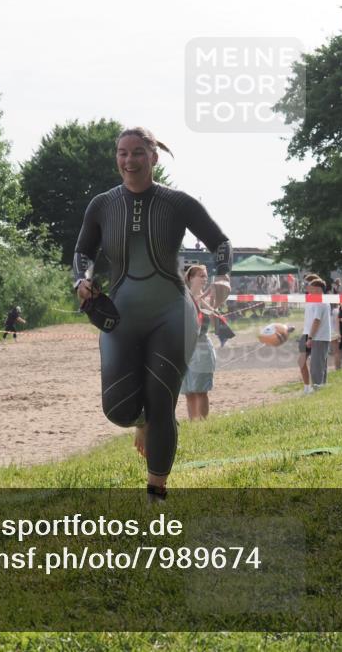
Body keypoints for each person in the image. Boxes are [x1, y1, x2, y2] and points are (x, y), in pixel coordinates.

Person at [73, 127, 231, 501]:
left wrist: (223, 277)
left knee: (162, 401)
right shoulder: (102, 204)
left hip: (171, 313)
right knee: (118, 409)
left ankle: (156, 493)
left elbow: (220, 242)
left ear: (154, 157)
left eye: (138, 153)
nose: (129, 160)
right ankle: (141, 422)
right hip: (121, 314)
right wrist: (82, 280)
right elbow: (83, 252)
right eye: (122, 153)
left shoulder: (177, 202)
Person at [182, 265, 216, 421]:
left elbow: (213, 316)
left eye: (205, 275)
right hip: (184, 350)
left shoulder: (207, 299)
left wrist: (203, 299)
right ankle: (193, 425)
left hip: (201, 348)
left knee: (200, 390)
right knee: (189, 392)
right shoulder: (182, 297)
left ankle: (203, 426)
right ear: (190, 278)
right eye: (201, 275)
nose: (205, 278)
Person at [304, 279, 332, 391]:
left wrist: (310, 337)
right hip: (321, 337)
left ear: (317, 289)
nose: (308, 289)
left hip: (319, 337)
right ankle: (321, 387)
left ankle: (317, 388)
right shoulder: (320, 300)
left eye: (311, 287)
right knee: (321, 364)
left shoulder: (320, 302)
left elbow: (316, 321)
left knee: (316, 366)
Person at [297, 273, 322, 395]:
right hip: (306, 332)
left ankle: (313, 387)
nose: (305, 286)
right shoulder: (308, 298)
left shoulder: (318, 300)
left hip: (313, 334)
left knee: (314, 363)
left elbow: (317, 320)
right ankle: (307, 387)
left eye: (307, 284)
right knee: (301, 362)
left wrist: (311, 336)